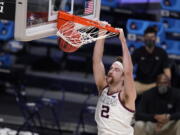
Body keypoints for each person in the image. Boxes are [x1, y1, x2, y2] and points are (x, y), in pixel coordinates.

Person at [93, 28, 136, 135]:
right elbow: (96, 61)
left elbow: (128, 72)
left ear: (123, 77)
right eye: (111, 68)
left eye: (116, 70)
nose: (111, 71)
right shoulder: (103, 87)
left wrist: (123, 41)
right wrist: (101, 34)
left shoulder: (126, 96)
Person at [132, 26, 171, 95]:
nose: (150, 39)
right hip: (140, 83)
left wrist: (162, 82)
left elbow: (168, 74)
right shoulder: (137, 52)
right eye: (147, 37)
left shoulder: (162, 52)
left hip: (157, 83)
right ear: (144, 38)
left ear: (156, 38)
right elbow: (128, 69)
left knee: (164, 87)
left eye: (152, 37)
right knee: (132, 87)